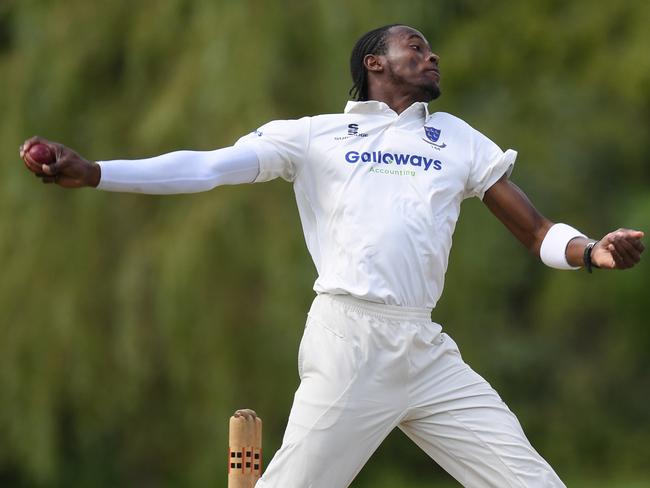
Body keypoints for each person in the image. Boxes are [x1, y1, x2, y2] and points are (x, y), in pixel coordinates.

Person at [20, 24, 644, 488]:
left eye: (432, 49)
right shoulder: (314, 135)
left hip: (425, 350)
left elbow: (536, 233)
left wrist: (590, 252)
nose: (432, 56)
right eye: (415, 46)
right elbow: (207, 168)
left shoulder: (456, 139)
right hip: (351, 340)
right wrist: (99, 171)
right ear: (376, 63)